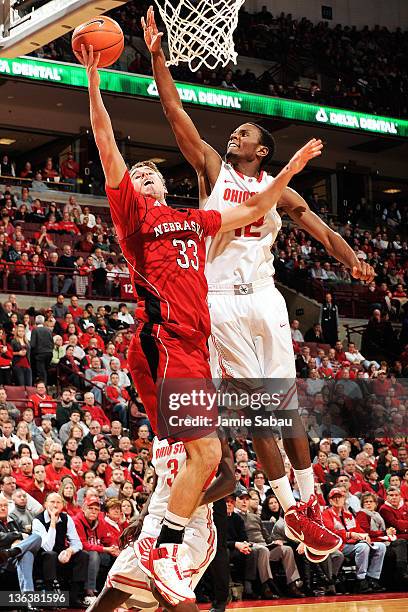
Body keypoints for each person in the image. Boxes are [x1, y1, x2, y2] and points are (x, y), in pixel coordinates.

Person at [79, 38, 322, 605]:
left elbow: (259, 207)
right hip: (165, 342)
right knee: (210, 455)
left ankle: (156, 548)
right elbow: (106, 141)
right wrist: (94, 83)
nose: (140, 175)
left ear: (167, 184)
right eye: (133, 174)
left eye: (148, 172)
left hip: (185, 347)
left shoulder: (197, 220)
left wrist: (292, 167)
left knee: (208, 450)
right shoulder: (133, 216)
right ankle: (166, 547)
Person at [144, 5, 373, 571]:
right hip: (219, 301)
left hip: (266, 299)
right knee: (256, 411)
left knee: (283, 408)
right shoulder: (211, 172)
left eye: (243, 132)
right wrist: (157, 60)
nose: (234, 134)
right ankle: (291, 506)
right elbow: (175, 113)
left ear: (261, 150)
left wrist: (355, 261)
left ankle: (308, 497)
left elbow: (322, 231)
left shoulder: (278, 191)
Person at [86, 436, 234, 612]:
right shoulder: (158, 439)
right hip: (154, 523)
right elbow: (158, 488)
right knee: (113, 590)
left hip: (190, 525)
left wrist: (186, 503)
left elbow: (229, 482)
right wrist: (140, 518)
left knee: (164, 590)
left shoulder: (207, 431)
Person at [32, 492, 89, 606]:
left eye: (58, 502)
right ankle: (49, 597)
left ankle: (73, 597)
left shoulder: (66, 518)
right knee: (51, 554)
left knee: (83, 555)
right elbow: (47, 546)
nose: (55, 505)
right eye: (52, 502)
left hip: (61, 554)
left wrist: (69, 551)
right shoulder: (37, 521)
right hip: (42, 558)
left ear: (62, 505)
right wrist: (53, 522)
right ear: (45, 504)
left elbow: (77, 543)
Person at [0, 496, 42, 594]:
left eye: (5, 505)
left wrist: (19, 544)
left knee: (36, 538)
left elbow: (27, 536)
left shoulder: (13, 520)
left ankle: (14, 551)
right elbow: (2, 537)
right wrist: (18, 536)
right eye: (0, 506)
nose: (3, 508)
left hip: (13, 556)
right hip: (3, 559)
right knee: (27, 554)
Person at [30, 315, 53, 384]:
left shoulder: (35, 330)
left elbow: (33, 344)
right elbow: (52, 343)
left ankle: (43, 387)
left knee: (41, 372)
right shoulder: (48, 330)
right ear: (43, 322)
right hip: (49, 353)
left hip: (40, 354)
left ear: (35, 322)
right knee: (45, 370)